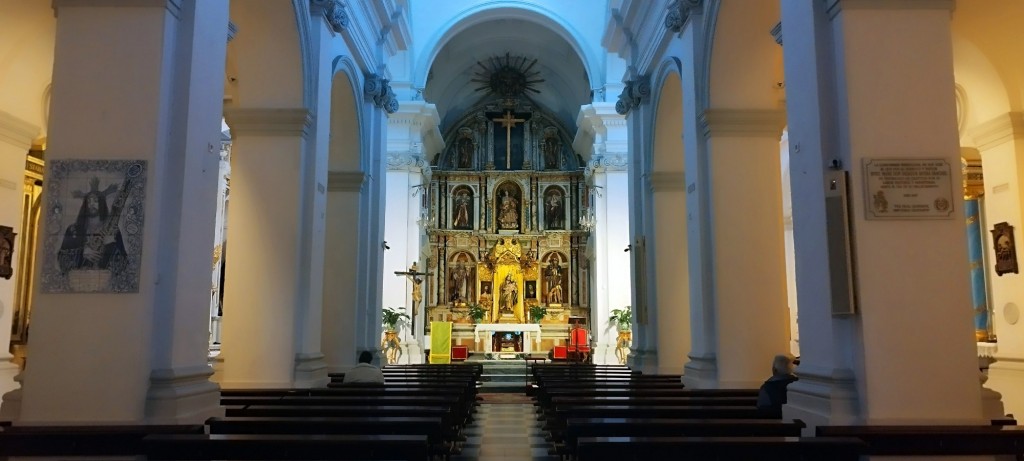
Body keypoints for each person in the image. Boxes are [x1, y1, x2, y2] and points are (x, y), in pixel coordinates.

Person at [58, 177, 128, 280]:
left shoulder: (113, 231)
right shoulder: (73, 230)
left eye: (95, 201)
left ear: (102, 204)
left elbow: (123, 264)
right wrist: (81, 253)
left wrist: (110, 245)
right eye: (89, 201)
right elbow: (62, 259)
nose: (92, 204)